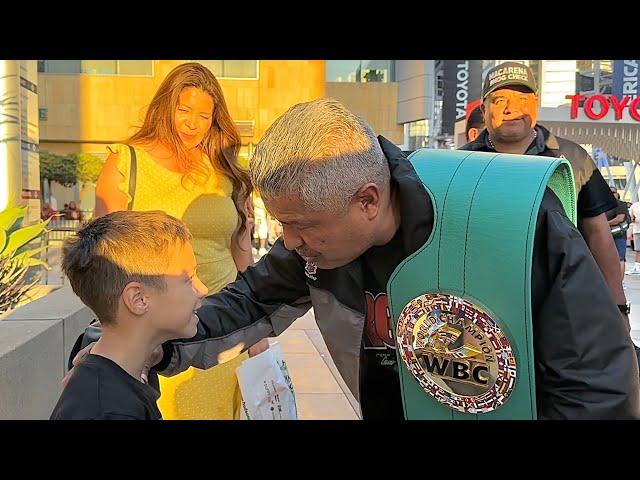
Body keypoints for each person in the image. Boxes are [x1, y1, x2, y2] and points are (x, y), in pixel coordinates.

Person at [72, 98, 640, 420]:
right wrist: (132, 345)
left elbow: (598, 386)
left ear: (367, 201)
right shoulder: (323, 239)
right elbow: (246, 303)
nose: (287, 243)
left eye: (300, 226)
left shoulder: (510, 220)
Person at [92, 62, 268, 420]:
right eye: (183, 110)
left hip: (222, 324)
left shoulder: (226, 169)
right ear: (164, 107)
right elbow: (103, 256)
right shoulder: (127, 162)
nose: (193, 123)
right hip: (152, 330)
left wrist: (257, 328)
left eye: (204, 115)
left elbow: (241, 250)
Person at [459, 61, 631, 328]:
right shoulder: (461, 164)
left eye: (521, 98)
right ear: (484, 109)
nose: (510, 108)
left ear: (535, 103)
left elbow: (598, 234)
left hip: (563, 310)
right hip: (484, 310)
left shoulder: (573, 158)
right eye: (500, 99)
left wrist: (618, 308)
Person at [51, 210, 208, 420]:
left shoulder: (118, 384)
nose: (203, 289)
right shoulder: (111, 411)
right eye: (189, 279)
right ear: (138, 299)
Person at [606, 187, 631, 282]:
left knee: (620, 259)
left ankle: (620, 282)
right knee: (607, 259)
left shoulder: (620, 204)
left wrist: (604, 225)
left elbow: (620, 218)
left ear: (617, 194)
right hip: (607, 235)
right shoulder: (605, 206)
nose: (612, 194)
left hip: (619, 235)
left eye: (613, 192)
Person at [626, 200, 640, 275]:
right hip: (637, 230)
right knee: (638, 250)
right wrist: (632, 219)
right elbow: (629, 218)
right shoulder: (635, 206)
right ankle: (637, 267)